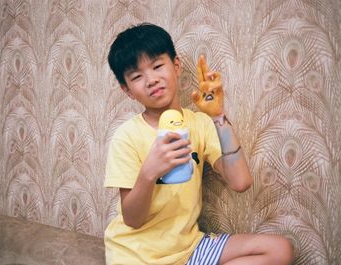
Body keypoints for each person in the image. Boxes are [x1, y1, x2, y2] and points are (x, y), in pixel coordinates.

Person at [104, 22, 294, 265]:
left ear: (176, 65)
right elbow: (132, 219)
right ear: (127, 90)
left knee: (280, 250)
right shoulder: (127, 136)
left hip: (189, 247)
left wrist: (218, 117)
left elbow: (241, 182)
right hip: (136, 256)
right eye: (137, 76)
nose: (151, 80)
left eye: (158, 66)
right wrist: (149, 173)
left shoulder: (200, 124)